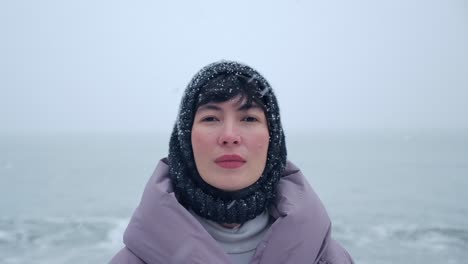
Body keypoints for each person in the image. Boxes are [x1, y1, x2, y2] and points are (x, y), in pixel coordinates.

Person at [110, 61, 354, 263]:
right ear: (185, 139)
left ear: (273, 139)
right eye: (210, 118)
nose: (229, 136)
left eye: (248, 118)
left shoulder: (328, 258)